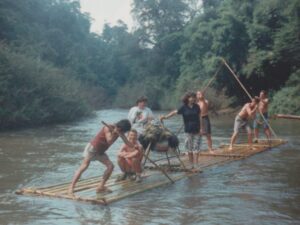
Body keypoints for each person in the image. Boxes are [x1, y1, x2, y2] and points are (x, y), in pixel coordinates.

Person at [68, 119, 131, 195]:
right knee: (83, 167)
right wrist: (114, 133)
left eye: (123, 132)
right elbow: (109, 141)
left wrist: (136, 147)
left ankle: (100, 187)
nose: (123, 132)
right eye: (122, 131)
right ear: (120, 127)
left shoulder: (120, 132)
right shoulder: (108, 127)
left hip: (101, 151)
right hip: (92, 148)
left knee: (110, 166)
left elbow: (127, 143)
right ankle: (71, 187)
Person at [160, 92, 201, 169]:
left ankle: (196, 165)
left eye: (193, 97)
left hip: (197, 129)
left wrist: (201, 128)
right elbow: (174, 112)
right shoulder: (184, 107)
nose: (192, 98)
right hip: (188, 130)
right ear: (187, 98)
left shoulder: (197, 106)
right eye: (191, 97)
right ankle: (191, 164)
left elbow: (200, 117)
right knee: (189, 148)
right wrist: (165, 117)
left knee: (196, 149)